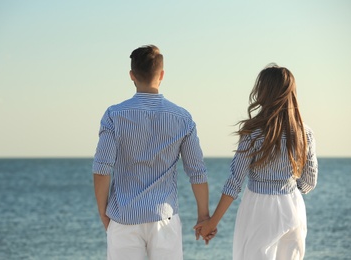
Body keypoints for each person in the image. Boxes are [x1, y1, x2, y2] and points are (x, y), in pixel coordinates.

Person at [93, 45, 213, 260]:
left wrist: (103, 212)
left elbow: (102, 169)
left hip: (123, 218)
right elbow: (197, 172)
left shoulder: (114, 115)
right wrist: (204, 216)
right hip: (164, 220)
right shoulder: (182, 117)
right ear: (162, 75)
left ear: (131, 75)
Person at [194, 64, 318, 260]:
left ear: (263, 92)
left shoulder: (254, 132)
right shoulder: (305, 133)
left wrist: (211, 222)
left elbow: (234, 183)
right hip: (293, 206)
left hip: (259, 209)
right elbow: (310, 182)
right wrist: (289, 184)